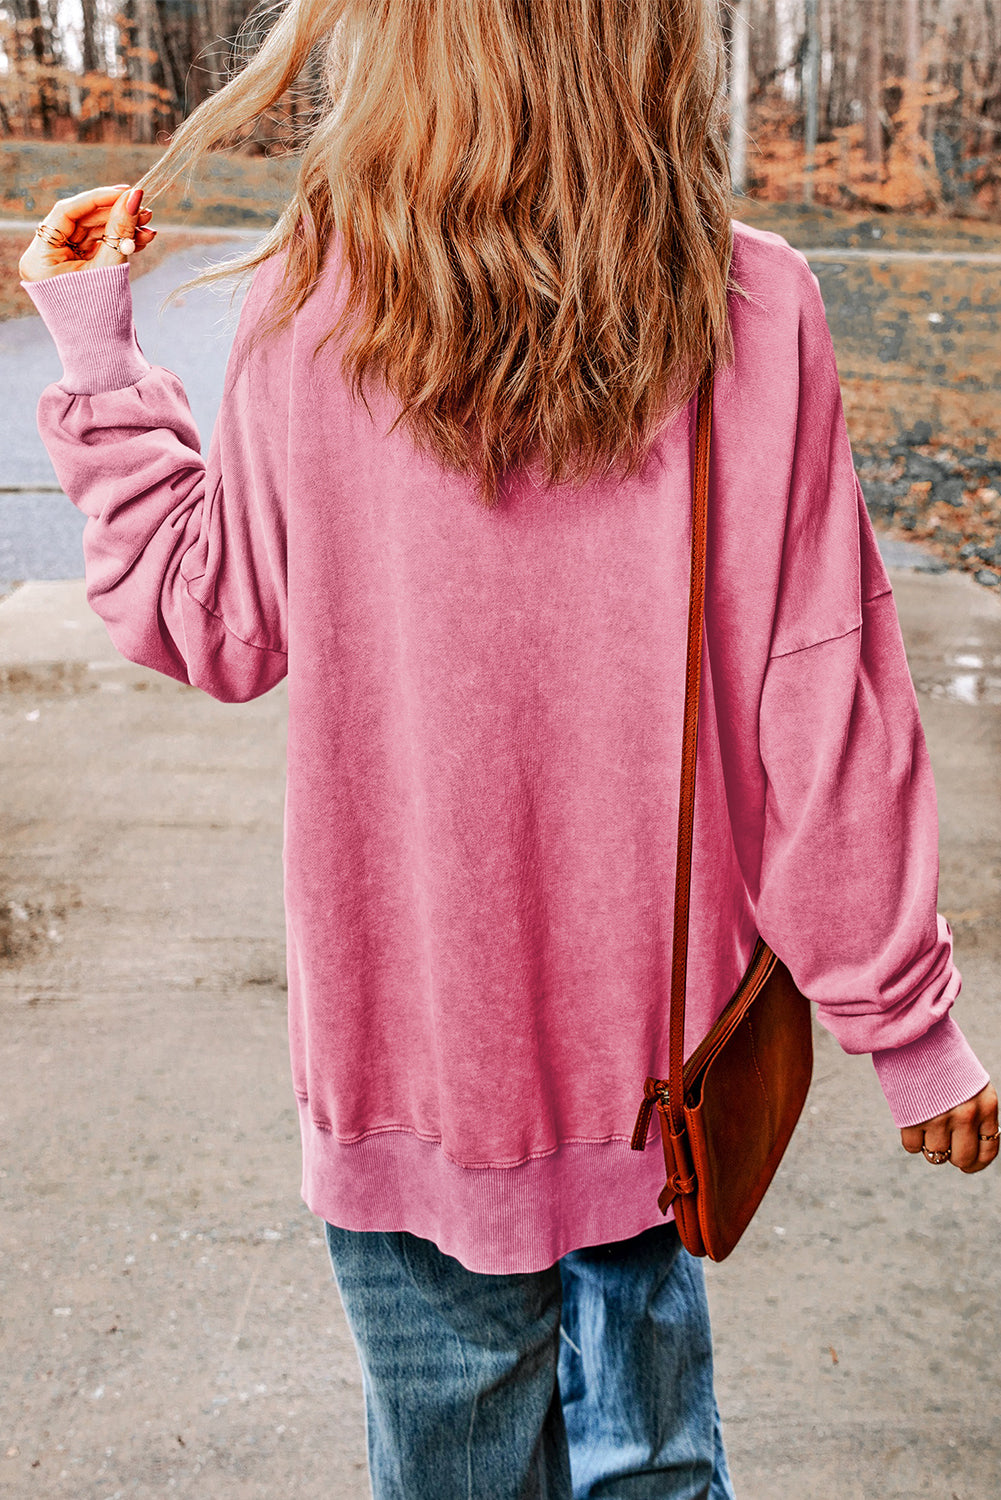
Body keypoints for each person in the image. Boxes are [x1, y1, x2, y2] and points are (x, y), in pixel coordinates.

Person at [17, 0, 998, 1492]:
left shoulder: (308, 315)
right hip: (654, 1077)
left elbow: (200, 618)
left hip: (408, 1074)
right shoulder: (749, 311)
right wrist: (904, 1025)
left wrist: (96, 360)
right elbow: (817, 698)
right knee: (654, 1466)